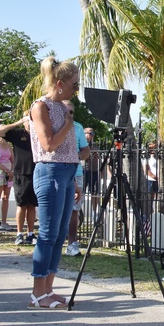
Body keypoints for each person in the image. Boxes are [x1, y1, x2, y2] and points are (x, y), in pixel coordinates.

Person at [28, 56, 80, 309]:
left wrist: (75, 181)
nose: (76, 90)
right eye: (74, 85)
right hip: (50, 171)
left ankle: (48, 288)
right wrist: (69, 125)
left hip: (67, 173)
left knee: (59, 234)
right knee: (48, 233)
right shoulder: (41, 107)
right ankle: (38, 292)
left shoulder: (61, 107)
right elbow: (48, 145)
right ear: (60, 83)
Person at [0, 112, 38, 245]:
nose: (30, 122)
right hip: (21, 174)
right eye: (28, 120)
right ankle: (19, 234)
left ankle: (30, 234)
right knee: (21, 205)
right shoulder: (18, 134)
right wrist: (19, 122)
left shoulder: (39, 134)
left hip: (36, 173)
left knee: (32, 206)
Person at [63, 100, 90, 257]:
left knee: (74, 209)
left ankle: (72, 244)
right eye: (66, 111)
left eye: (71, 112)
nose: (69, 115)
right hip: (59, 172)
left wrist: (77, 156)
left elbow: (86, 150)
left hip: (76, 173)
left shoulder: (78, 128)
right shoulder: (54, 126)